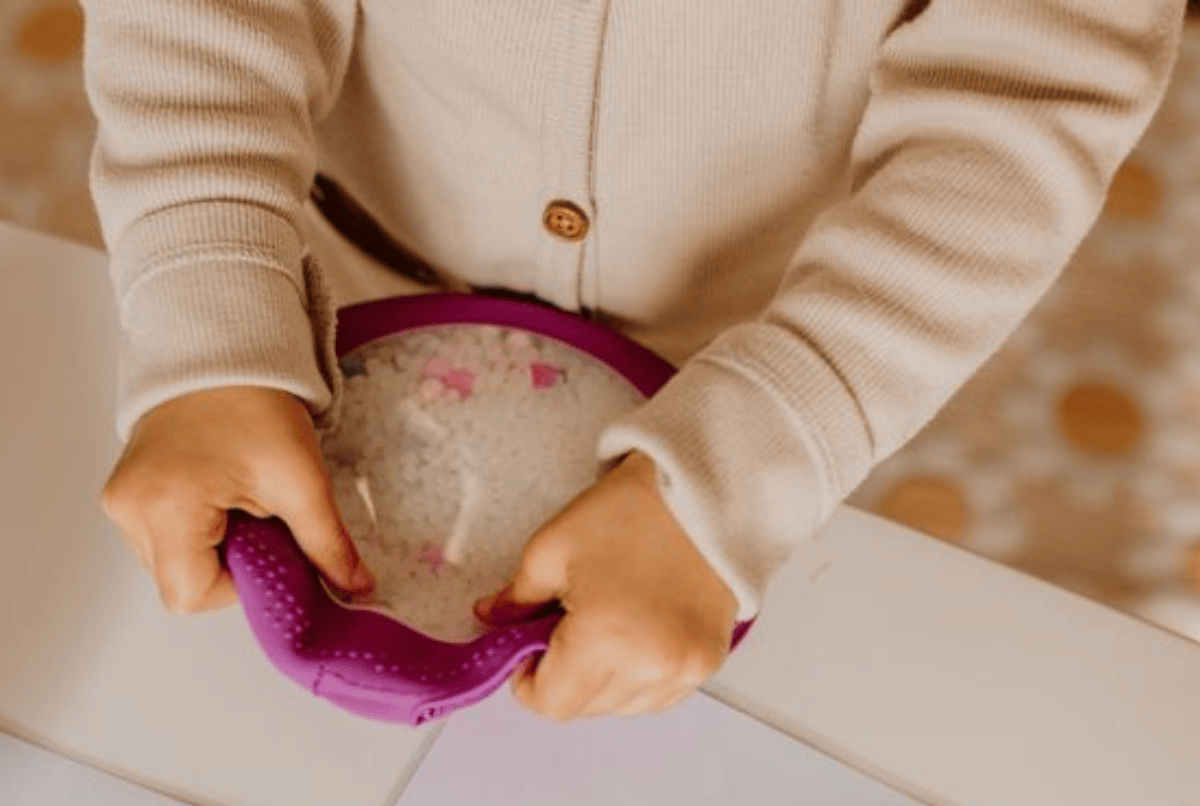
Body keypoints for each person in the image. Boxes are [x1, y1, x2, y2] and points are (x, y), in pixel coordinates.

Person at [82, 0, 1185, 722]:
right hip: (351, 262)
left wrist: (755, 457)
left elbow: (1018, 105)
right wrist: (208, 290)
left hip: (772, 326)